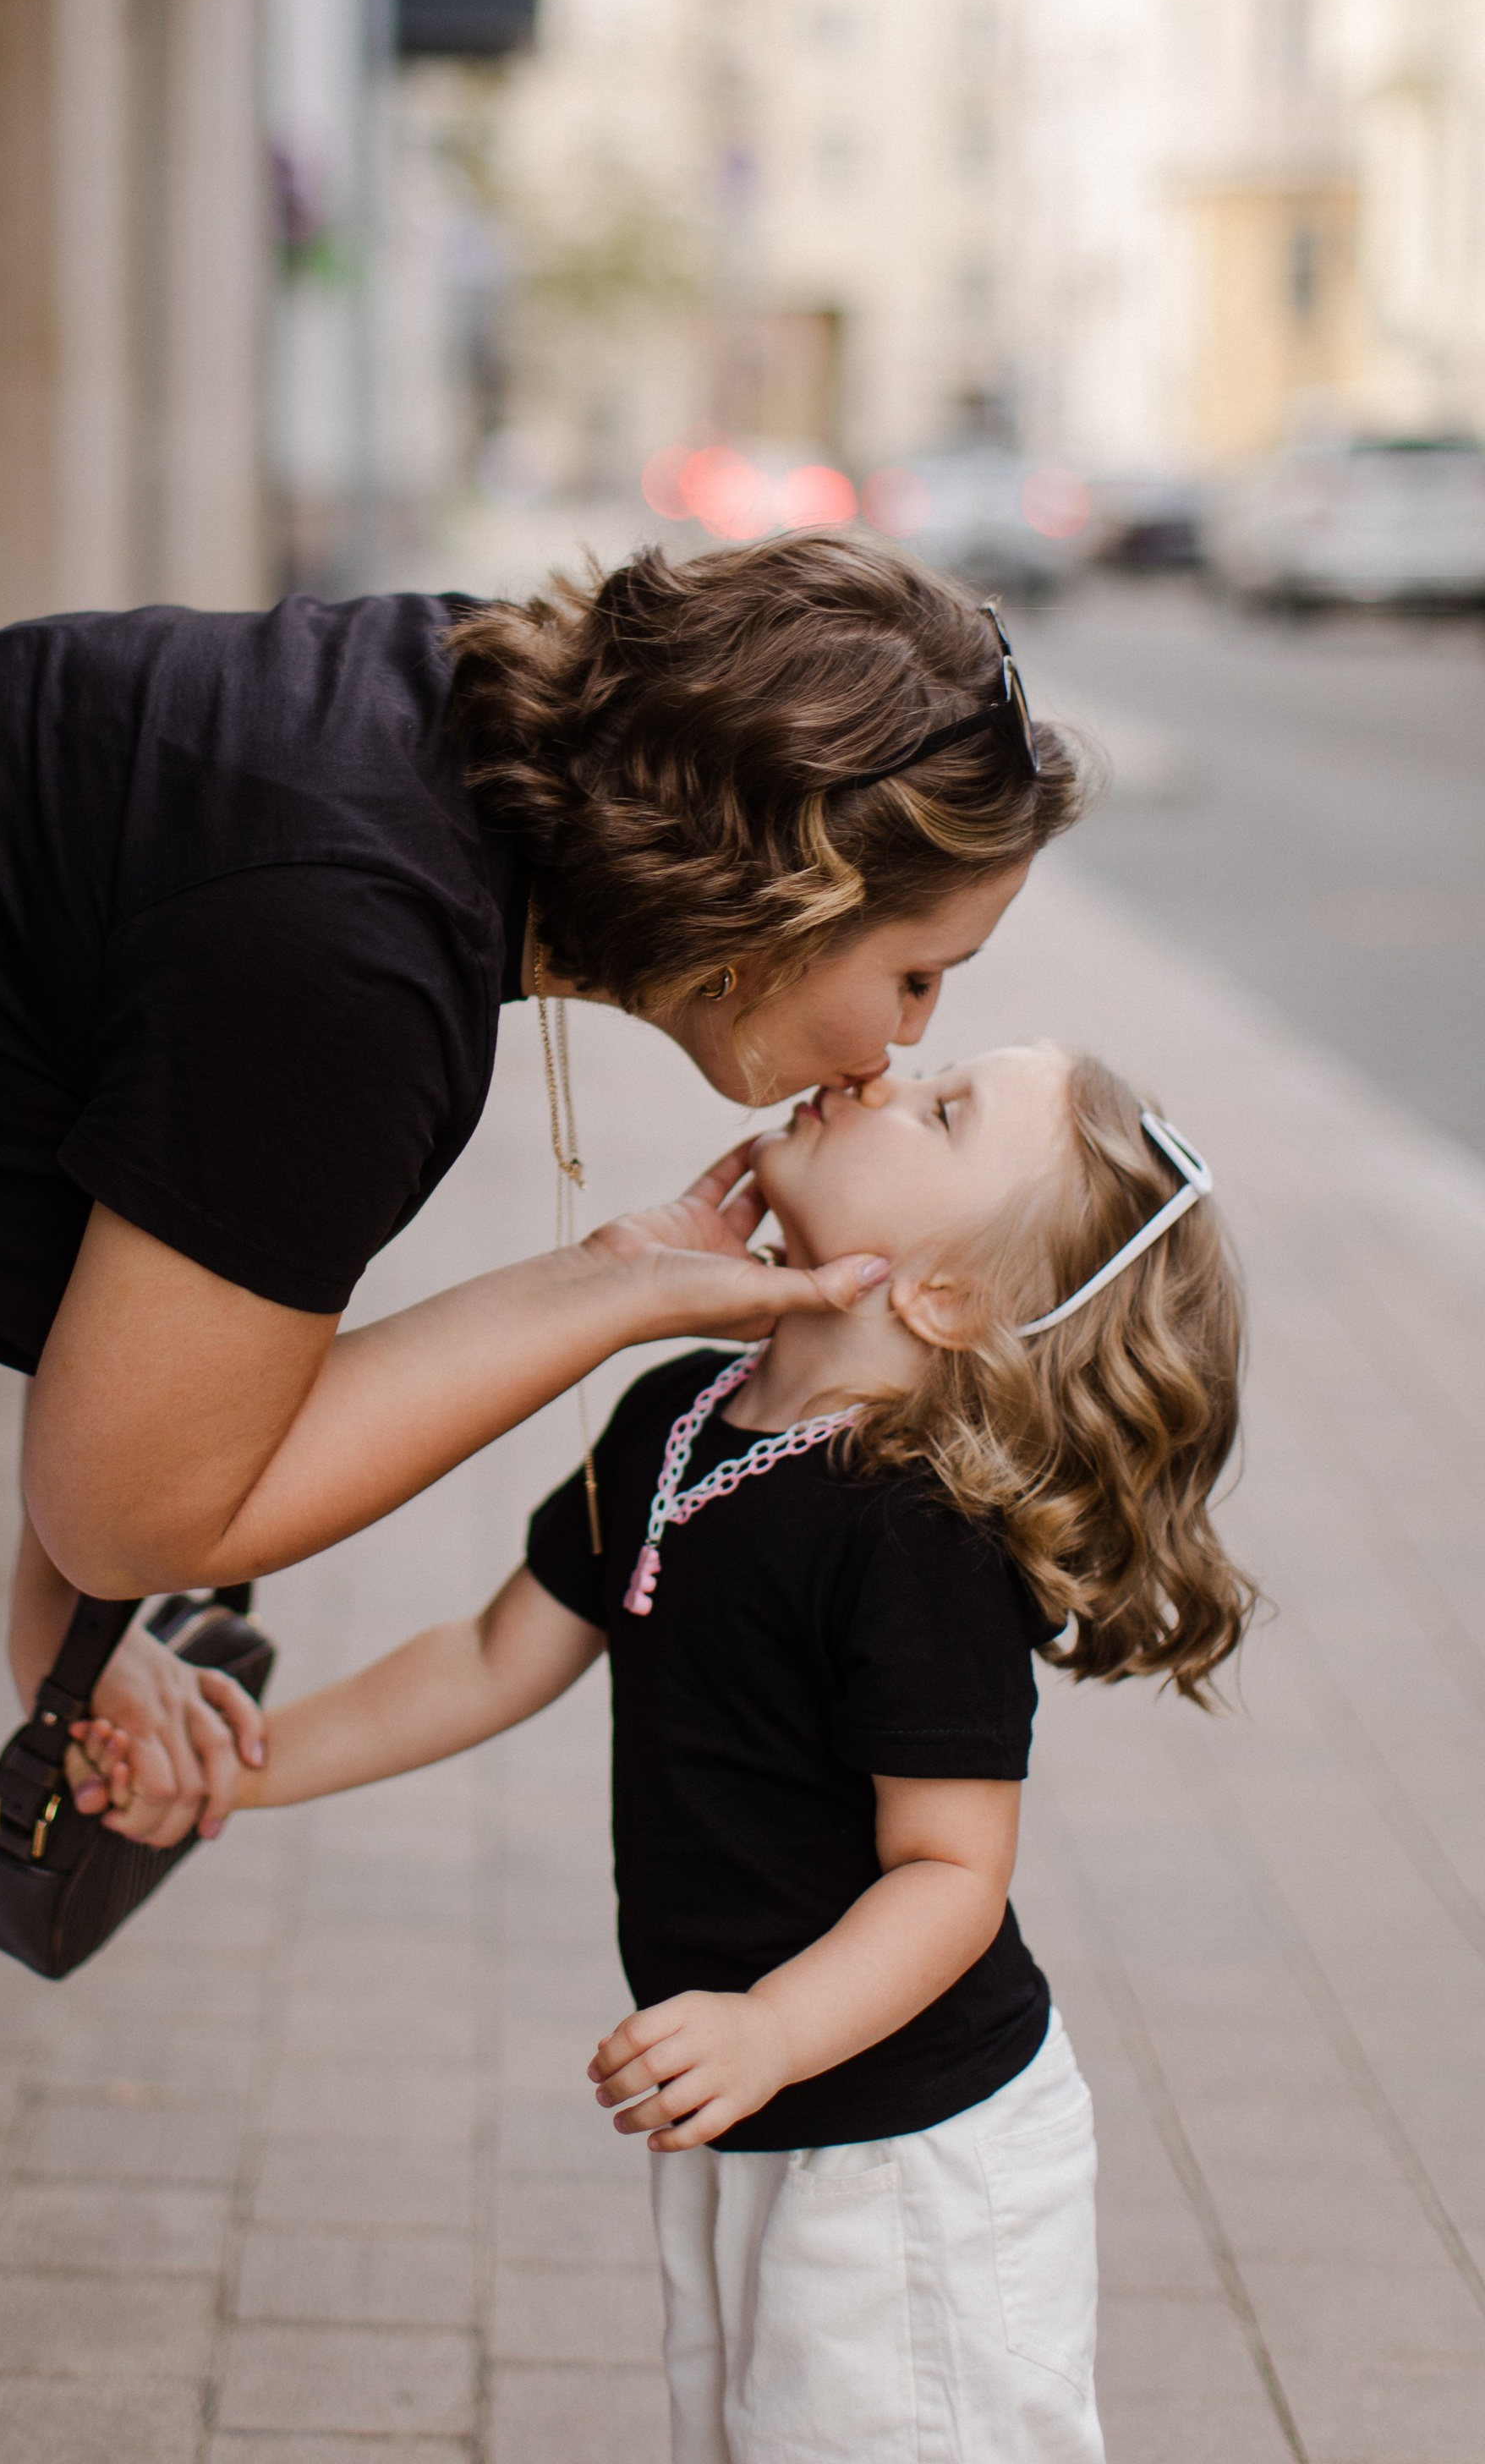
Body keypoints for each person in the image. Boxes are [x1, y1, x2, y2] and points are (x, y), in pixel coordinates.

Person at [0, 530, 1085, 2459]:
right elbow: (145, 1504)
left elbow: (108, 1278)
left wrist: (70, 1632)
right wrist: (600, 1295)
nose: (900, 1039)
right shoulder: (350, 927)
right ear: (786, 876)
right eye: (915, 973)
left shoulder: (447, 764)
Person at [189, 1042, 1254, 2463]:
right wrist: (244, 1768)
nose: (878, 1071)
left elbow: (951, 1871)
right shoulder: (676, 1415)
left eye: (941, 1111)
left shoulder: (912, 1531)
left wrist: (773, 2030)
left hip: (907, 2146)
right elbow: (493, 1657)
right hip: (757, 2112)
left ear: (945, 1296)